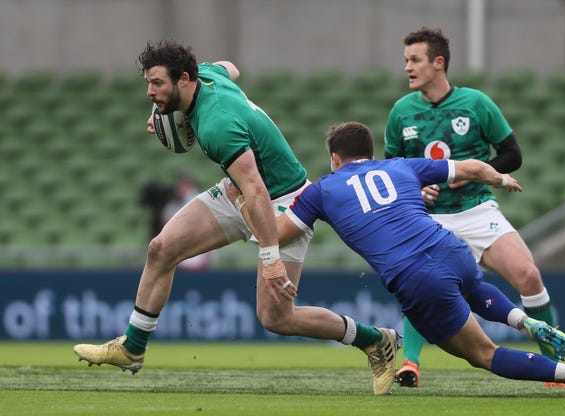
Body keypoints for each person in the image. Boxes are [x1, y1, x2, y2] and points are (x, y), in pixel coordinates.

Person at [73, 41, 400, 396]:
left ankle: (375, 341)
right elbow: (231, 67)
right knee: (161, 249)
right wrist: (163, 111)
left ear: (183, 79)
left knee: (277, 318)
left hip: (285, 202)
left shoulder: (217, 124)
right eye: (148, 84)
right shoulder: (208, 76)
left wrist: (271, 257)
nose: (150, 92)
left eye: (157, 84)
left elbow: (257, 191)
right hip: (238, 193)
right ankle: (132, 347)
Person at [235, 121, 565, 398]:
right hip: (451, 248)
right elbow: (475, 169)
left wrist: (245, 206)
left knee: (484, 354)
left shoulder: (322, 189)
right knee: (473, 287)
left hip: (416, 278)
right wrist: (501, 179)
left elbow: (275, 235)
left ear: (335, 158)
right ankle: (524, 319)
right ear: (370, 151)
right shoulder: (400, 166)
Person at [384, 27, 563, 388]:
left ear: (439, 63)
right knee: (420, 288)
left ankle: (556, 369)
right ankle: (410, 364)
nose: (407, 67)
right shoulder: (401, 112)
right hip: (430, 220)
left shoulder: (476, 103)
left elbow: (513, 154)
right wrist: (416, 191)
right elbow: (392, 170)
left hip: (477, 210)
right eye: (405, 60)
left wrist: (479, 175)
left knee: (528, 275)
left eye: (414, 60)